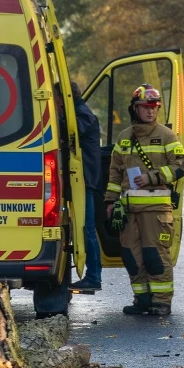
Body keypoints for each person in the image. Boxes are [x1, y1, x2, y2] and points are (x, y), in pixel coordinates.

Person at [105, 86, 184, 316]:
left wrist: (152, 177)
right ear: (135, 109)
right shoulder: (124, 138)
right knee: (132, 257)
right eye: (145, 107)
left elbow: (180, 166)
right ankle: (142, 299)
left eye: (154, 108)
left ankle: (161, 302)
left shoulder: (167, 135)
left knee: (156, 256)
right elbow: (114, 174)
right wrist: (110, 202)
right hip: (129, 210)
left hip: (156, 209)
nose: (151, 112)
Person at [68, 80, 103, 292]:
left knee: (87, 229)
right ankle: (92, 275)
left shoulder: (82, 115)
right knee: (85, 228)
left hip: (85, 180)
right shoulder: (81, 112)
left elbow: (69, 134)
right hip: (83, 178)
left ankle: (93, 276)